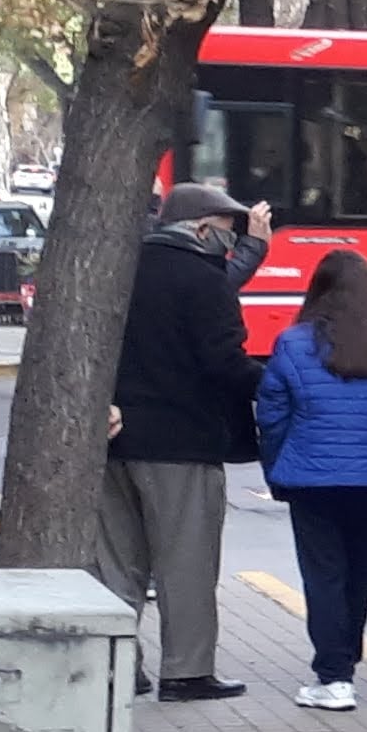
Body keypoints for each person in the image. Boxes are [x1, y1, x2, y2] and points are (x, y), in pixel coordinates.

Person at [98, 181, 274, 701]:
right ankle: (187, 671)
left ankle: (115, 667)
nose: (232, 239)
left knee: (117, 564)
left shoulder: (118, 271)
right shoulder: (203, 279)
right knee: (186, 563)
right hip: (182, 441)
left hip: (114, 438)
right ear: (200, 228)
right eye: (227, 229)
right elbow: (224, 362)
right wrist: (276, 385)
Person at [253, 247, 367, 711]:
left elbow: (273, 414)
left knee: (323, 575)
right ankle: (345, 658)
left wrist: (278, 465)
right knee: (360, 573)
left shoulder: (294, 343)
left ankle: (333, 677)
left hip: (313, 479)